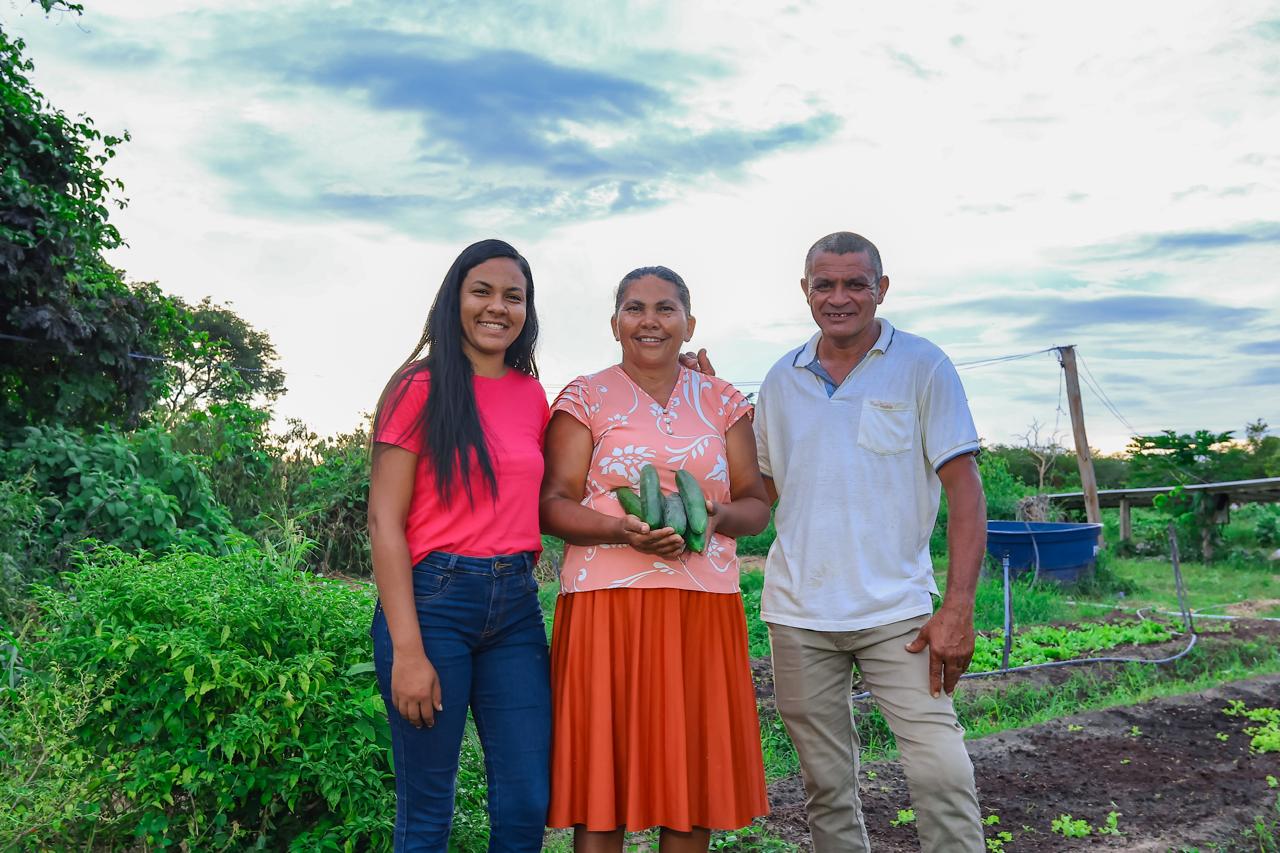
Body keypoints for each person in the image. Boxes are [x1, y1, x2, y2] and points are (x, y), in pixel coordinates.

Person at [753, 232, 987, 853]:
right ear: (805, 291)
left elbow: (965, 491)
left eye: (855, 283)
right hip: (798, 615)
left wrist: (958, 607)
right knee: (826, 787)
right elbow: (759, 494)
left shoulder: (922, 364)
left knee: (940, 769)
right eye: (824, 285)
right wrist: (706, 400)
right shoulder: (780, 378)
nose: (839, 298)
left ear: (881, 289)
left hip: (898, 613)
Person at [540, 266, 771, 853]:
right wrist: (621, 530)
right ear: (614, 323)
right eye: (635, 308)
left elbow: (756, 505)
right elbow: (552, 504)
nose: (650, 321)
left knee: (689, 780)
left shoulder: (723, 401)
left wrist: (716, 517)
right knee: (602, 786)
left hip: (702, 606)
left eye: (666, 309)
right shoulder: (584, 396)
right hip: (604, 606)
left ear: (689, 324)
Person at [367, 239, 551, 852]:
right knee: (428, 812)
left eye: (513, 296)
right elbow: (384, 521)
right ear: (455, 299)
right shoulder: (417, 386)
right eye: (482, 292)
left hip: (516, 608)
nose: (497, 307)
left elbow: (581, 475)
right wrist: (408, 651)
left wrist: (685, 381)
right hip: (433, 603)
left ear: (526, 310)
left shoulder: (531, 394)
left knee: (526, 802)